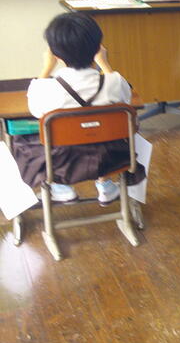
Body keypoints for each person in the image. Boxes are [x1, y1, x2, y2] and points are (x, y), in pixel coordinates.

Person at [12, 13, 145, 204]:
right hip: (111, 157)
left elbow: (35, 111)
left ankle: (60, 188)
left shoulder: (44, 88)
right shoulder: (114, 82)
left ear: (54, 54)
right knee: (112, 131)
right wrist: (105, 64)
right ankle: (105, 186)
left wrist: (46, 69)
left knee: (19, 139)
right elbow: (124, 96)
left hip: (60, 162)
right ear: (98, 48)